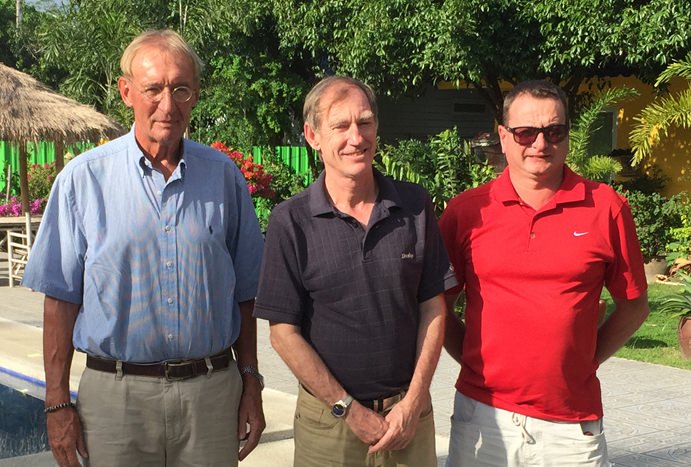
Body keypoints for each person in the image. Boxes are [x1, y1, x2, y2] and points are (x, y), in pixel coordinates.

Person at [23, 29, 265, 467]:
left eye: (180, 89)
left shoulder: (223, 177)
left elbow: (245, 294)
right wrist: (57, 403)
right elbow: (60, 300)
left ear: (195, 95)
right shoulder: (83, 180)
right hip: (116, 403)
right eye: (153, 89)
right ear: (127, 92)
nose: (167, 104)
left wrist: (251, 380)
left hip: (211, 398)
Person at [439, 80, 650, 466]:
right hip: (483, 416)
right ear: (504, 136)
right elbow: (438, 307)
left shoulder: (607, 208)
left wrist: (586, 361)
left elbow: (634, 306)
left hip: (571, 425)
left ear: (567, 136)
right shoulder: (466, 212)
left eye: (554, 131)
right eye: (525, 132)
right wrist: (472, 361)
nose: (540, 143)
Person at [253, 76, 456, 467]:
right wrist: (348, 409)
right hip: (330, 425)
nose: (356, 137)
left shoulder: (414, 206)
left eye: (365, 122)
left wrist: (414, 401)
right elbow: (282, 334)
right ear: (313, 136)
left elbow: (433, 308)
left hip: (408, 419)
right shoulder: (290, 221)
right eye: (340, 126)